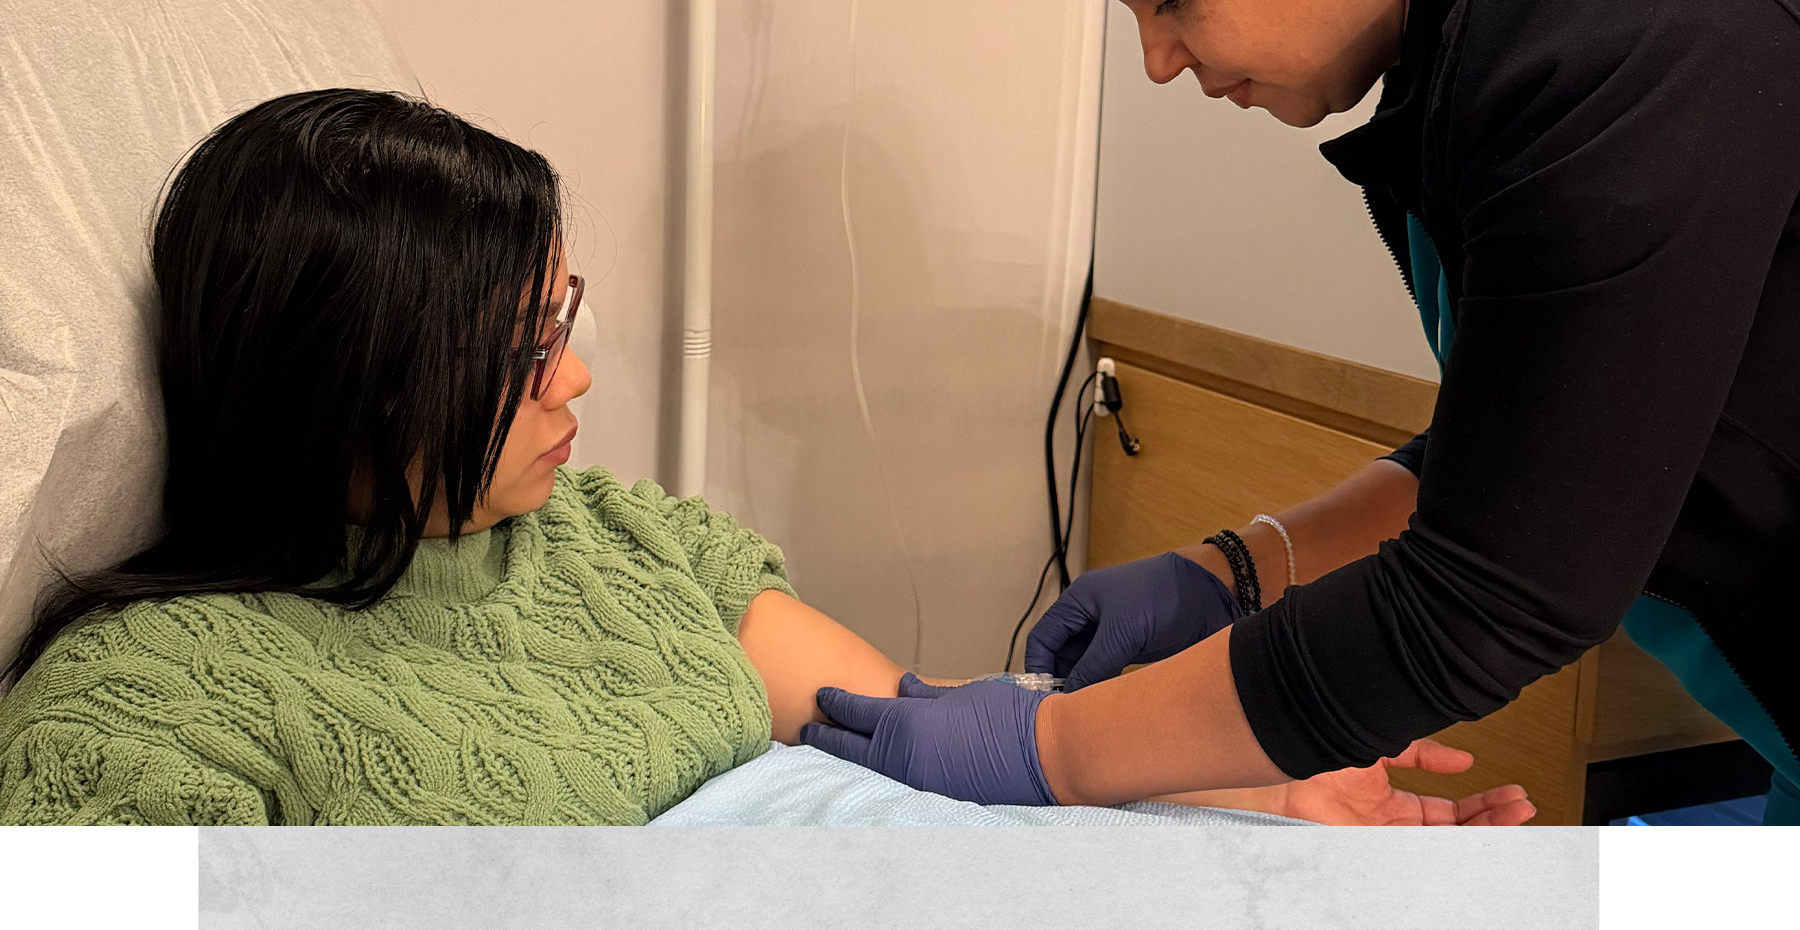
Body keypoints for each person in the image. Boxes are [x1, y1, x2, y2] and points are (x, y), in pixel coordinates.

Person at [0, 88, 1525, 826]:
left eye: (566, 319)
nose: (579, 377)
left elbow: (930, 737)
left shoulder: (613, 540)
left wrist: (1260, 801)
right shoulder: (154, 705)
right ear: (355, 381)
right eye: (525, 351)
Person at [800, 0, 1800, 825]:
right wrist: (1238, 569)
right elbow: (1544, 437)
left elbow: (1489, 594)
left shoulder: (1611, 11)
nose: (1156, 59)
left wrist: (1050, 747)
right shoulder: (1468, 17)